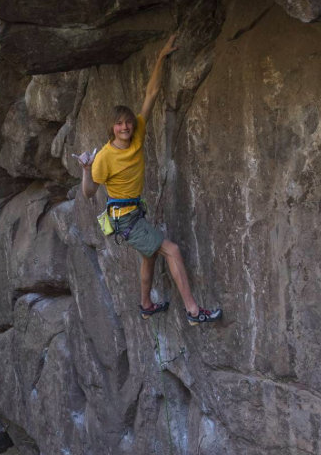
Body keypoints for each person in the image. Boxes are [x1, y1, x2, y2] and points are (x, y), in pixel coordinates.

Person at [75, 35, 222, 326]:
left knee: (150, 255)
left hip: (134, 213)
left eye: (127, 122)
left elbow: (151, 94)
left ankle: (145, 305)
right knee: (171, 250)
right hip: (125, 219)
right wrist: (86, 169)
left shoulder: (137, 134)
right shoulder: (104, 156)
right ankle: (194, 312)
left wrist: (160, 58)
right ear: (112, 128)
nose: (125, 127)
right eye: (119, 124)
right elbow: (89, 192)